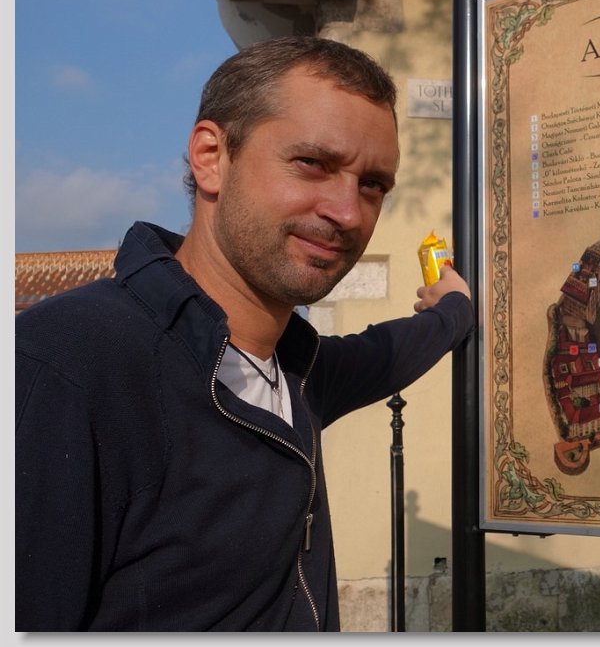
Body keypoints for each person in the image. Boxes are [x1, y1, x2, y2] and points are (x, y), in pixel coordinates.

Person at [15, 36, 474, 631]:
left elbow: (390, 352)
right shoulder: (66, 363)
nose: (348, 213)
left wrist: (454, 309)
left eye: (372, 185)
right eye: (312, 163)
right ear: (211, 156)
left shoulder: (297, 370)